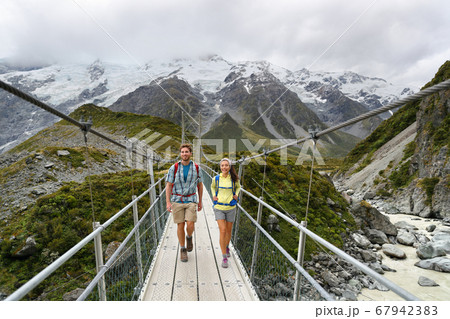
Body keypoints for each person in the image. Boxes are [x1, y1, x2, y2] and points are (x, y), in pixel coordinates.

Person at [166, 143, 203, 262]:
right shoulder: (174, 168)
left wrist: (200, 201)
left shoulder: (197, 168)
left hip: (191, 199)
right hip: (177, 200)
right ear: (180, 154)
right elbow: (168, 185)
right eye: (182, 152)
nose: (184, 154)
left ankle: (189, 237)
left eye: (186, 152)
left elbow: (200, 185)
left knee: (190, 224)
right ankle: (182, 249)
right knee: (180, 225)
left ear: (190, 153)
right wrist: (168, 202)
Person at [211, 158, 241, 268]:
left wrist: (236, 195)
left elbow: (238, 187)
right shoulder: (216, 179)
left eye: (226, 165)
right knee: (222, 230)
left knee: (228, 231)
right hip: (219, 207)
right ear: (220, 166)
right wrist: (214, 195)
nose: (224, 167)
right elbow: (213, 187)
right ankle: (224, 257)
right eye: (222, 165)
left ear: (230, 166)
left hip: (231, 207)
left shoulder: (234, 179)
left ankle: (227, 246)